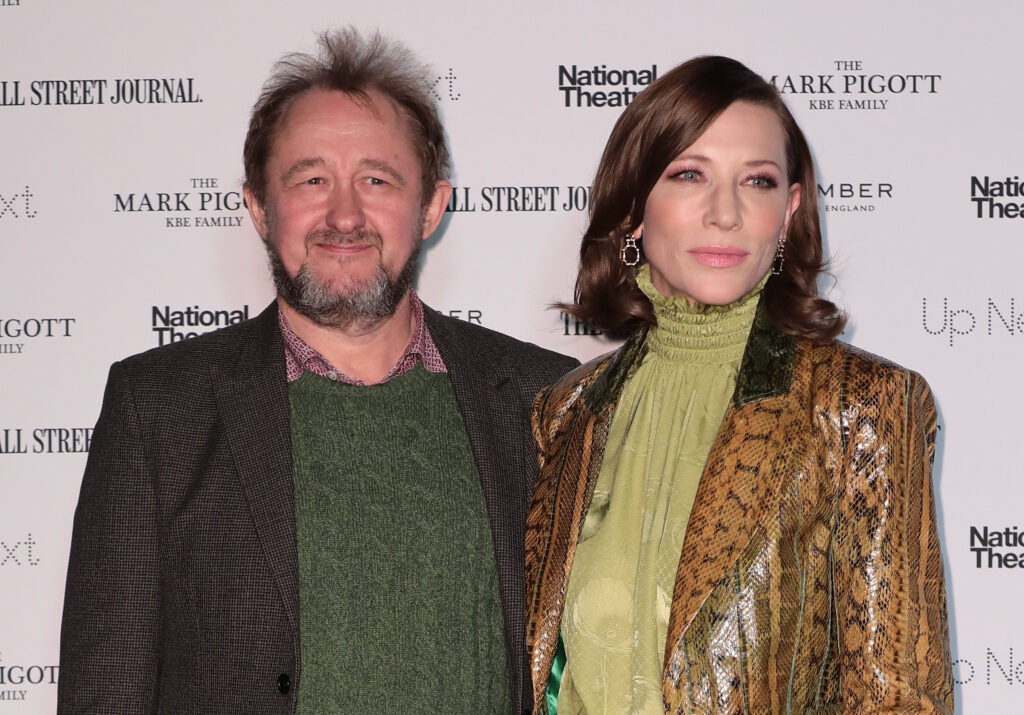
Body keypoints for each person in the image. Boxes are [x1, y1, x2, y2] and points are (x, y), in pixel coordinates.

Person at [58, 28, 577, 714]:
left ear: (430, 208)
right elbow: (105, 690)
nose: (345, 215)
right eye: (311, 180)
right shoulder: (158, 409)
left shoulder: (545, 400)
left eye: (376, 180)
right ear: (258, 207)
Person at [525, 56, 953, 714]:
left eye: (757, 181)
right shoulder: (567, 412)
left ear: (788, 210)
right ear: (634, 207)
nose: (724, 213)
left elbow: (899, 699)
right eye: (689, 174)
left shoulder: (860, 404)